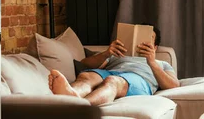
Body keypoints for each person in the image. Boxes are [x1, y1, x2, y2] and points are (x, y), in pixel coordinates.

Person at [48, 24, 179, 106]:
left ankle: (83, 106)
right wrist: (107, 53)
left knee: (113, 81)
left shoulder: (162, 64)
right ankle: (71, 95)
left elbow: (174, 84)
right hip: (110, 71)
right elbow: (85, 64)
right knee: (87, 76)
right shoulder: (116, 56)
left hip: (138, 79)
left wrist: (151, 62)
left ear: (155, 47)